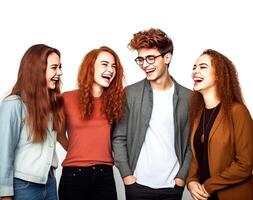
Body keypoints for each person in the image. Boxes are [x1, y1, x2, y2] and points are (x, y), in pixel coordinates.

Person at [112, 28, 192, 200]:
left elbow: (191, 145)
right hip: (137, 186)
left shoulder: (189, 98)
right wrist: (127, 176)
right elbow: (119, 138)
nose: (145, 64)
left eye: (150, 58)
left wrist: (181, 178)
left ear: (167, 57)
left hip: (172, 187)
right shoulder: (130, 93)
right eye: (140, 59)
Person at [57, 46, 125, 200]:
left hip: (105, 175)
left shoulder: (116, 102)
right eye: (104, 64)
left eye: (114, 66)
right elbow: (59, 134)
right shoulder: (66, 98)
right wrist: (78, 151)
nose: (110, 69)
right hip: (73, 175)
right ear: (90, 67)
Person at [0, 44, 64, 200]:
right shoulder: (14, 104)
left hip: (49, 182)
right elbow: (3, 152)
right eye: (54, 68)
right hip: (23, 186)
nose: (59, 73)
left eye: (60, 67)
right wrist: (4, 194)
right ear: (37, 70)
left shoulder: (51, 105)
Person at [187, 49, 253, 200]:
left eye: (203, 67)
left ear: (218, 75)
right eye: (194, 67)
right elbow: (196, 157)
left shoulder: (238, 111)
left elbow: (245, 164)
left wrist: (209, 186)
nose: (195, 71)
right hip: (205, 197)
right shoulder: (198, 115)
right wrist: (191, 181)